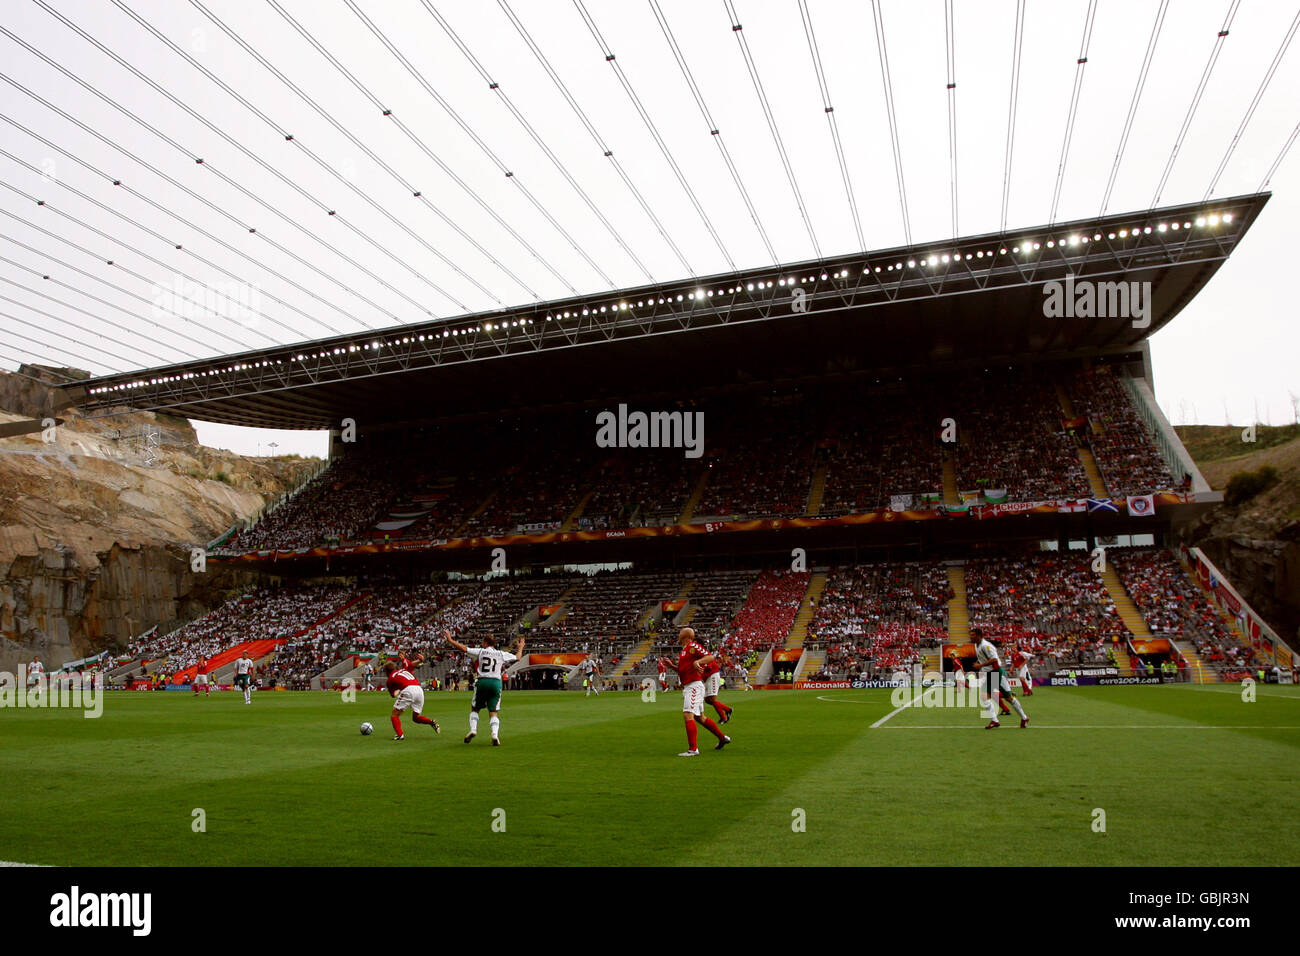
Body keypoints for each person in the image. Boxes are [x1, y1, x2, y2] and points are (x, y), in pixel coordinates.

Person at [443, 630, 524, 746]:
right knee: (493, 712)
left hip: (482, 681)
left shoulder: (481, 651)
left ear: (486, 643)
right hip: (496, 683)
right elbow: (518, 657)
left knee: (475, 708)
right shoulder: (501, 654)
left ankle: (473, 729)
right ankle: (495, 735)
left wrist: (450, 640)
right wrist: (520, 647)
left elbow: (464, 648)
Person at [670, 627, 730, 756]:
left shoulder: (693, 646)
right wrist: (672, 666)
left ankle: (693, 749)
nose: (678, 634)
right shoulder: (684, 651)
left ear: (686, 636)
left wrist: (699, 661)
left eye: (681, 632)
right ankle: (722, 738)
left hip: (694, 687)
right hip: (690, 686)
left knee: (688, 715)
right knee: (700, 717)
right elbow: (683, 671)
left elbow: (710, 657)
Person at [971, 629, 1028, 729]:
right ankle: (995, 720)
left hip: (997, 673)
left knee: (1009, 698)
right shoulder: (977, 645)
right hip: (989, 674)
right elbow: (985, 659)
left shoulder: (986, 646)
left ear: (979, 635)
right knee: (985, 697)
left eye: (973, 635)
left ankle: (1024, 717)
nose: (971, 637)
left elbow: (994, 659)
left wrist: (980, 665)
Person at [383, 659, 440, 740]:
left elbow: (393, 695)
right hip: (419, 689)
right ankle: (431, 722)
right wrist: (419, 660)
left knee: (394, 714)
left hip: (409, 690)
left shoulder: (390, 679)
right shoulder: (403, 670)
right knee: (416, 718)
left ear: (386, 671)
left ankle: (400, 735)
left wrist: (399, 690)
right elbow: (411, 665)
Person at [700, 644, 733, 724]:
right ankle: (727, 710)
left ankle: (724, 716)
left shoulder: (705, 654)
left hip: (712, 675)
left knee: (712, 699)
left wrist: (699, 667)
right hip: (707, 678)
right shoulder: (698, 656)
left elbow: (709, 667)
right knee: (707, 700)